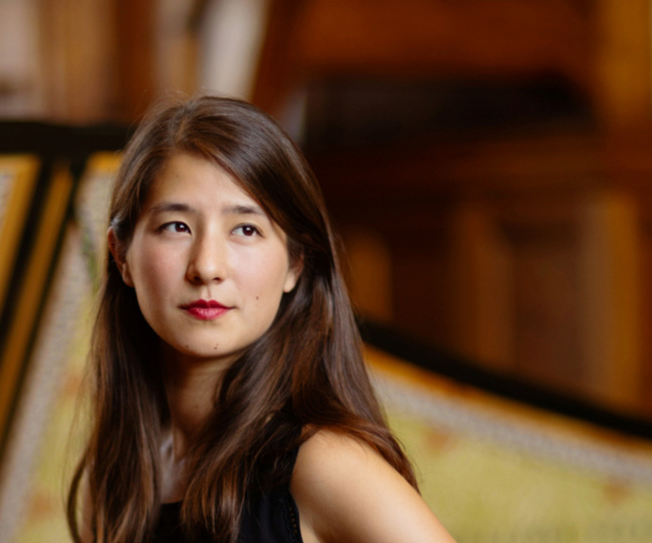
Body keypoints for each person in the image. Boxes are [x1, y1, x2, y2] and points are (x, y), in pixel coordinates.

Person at [67, 95, 455, 543]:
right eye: (176, 226)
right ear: (121, 256)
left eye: (246, 230)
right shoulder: (116, 474)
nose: (207, 266)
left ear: (295, 264)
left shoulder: (325, 465)